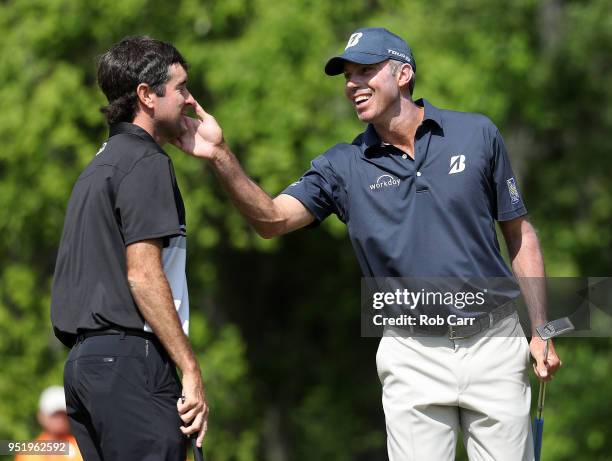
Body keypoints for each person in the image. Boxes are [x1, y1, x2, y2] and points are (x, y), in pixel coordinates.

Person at [173, 27, 563, 460]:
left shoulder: (477, 135)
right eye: (347, 76)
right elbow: (272, 220)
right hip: (412, 354)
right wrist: (220, 155)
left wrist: (542, 330)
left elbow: (519, 232)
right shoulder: (342, 166)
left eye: (366, 71)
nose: (353, 84)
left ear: (403, 75)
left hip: (494, 345)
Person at [50, 36, 207, 460]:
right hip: (131, 365)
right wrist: (190, 369)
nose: (191, 101)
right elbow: (142, 274)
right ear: (146, 96)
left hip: (85, 371)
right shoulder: (146, 161)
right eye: (181, 89)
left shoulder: (97, 167)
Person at [15, 386, 83, 461]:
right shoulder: (27, 454)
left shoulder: (82, 449)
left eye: (63, 414)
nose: (60, 419)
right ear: (41, 416)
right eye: (55, 414)